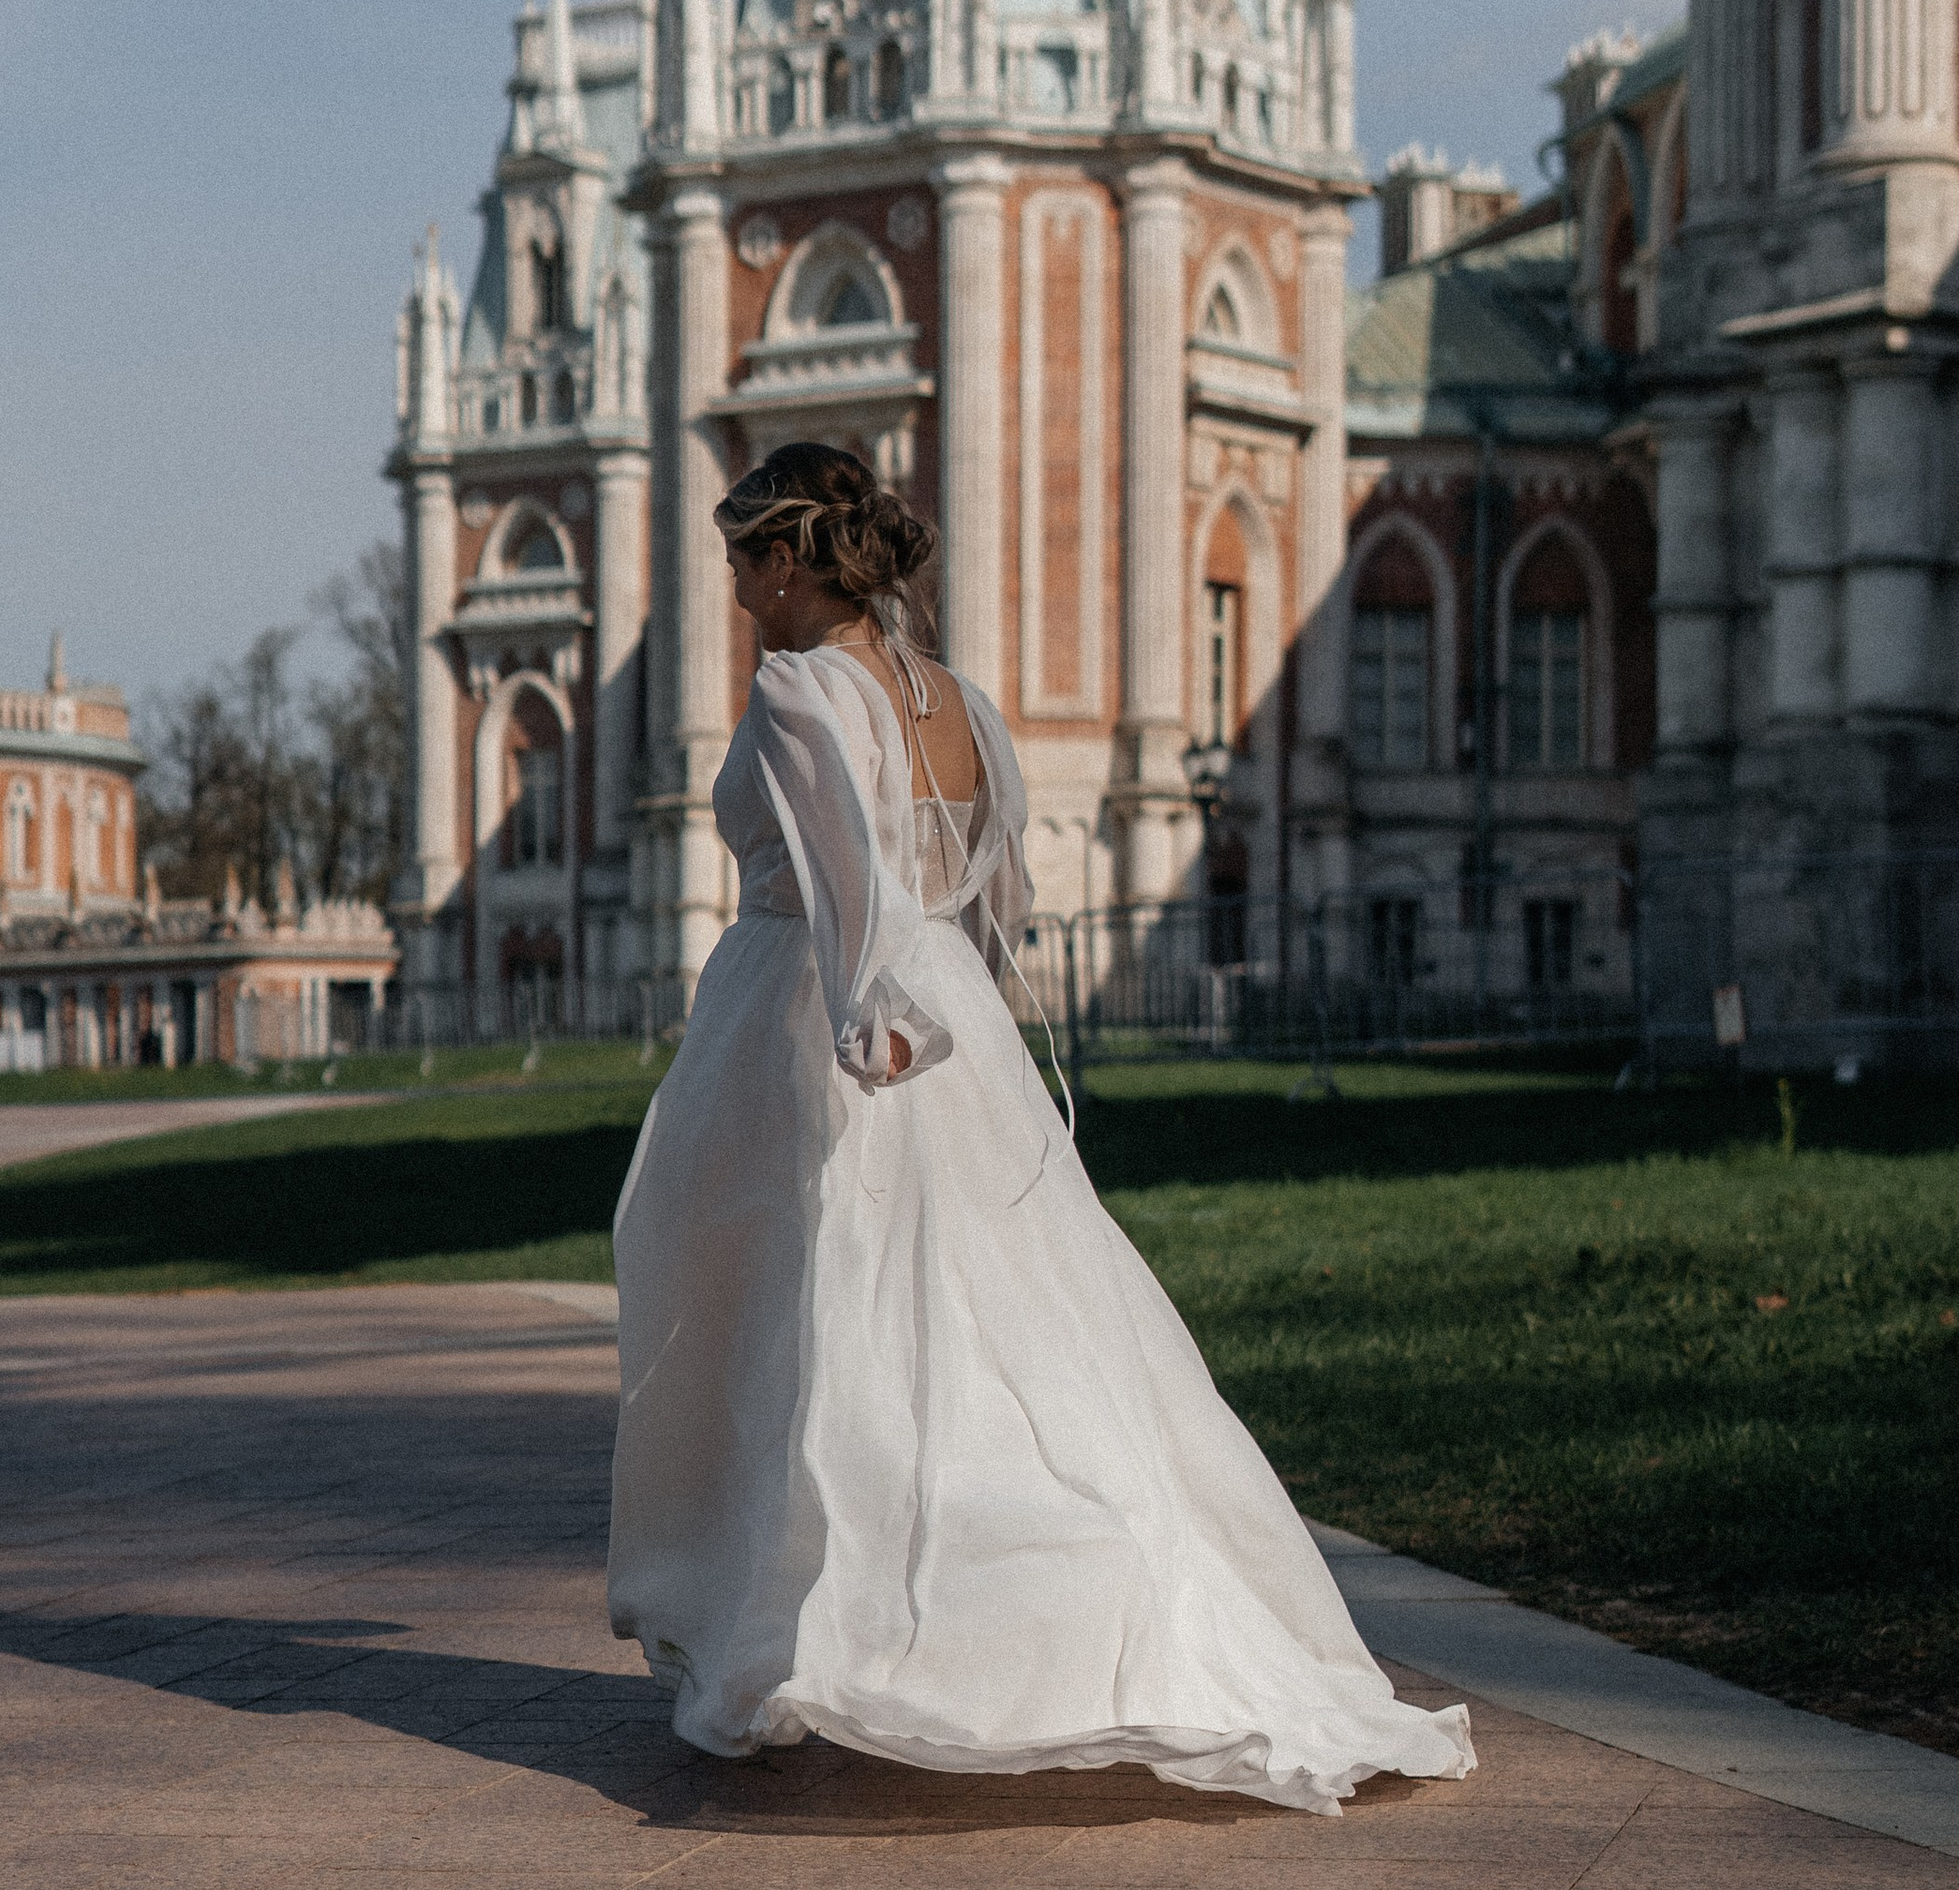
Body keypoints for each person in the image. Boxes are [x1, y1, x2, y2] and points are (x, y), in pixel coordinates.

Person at [607, 437, 1473, 1819]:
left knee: (820, 1318)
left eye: (738, 561)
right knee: (995, 1322)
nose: (734, 592)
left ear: (784, 560)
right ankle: (879, 1617)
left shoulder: (796, 692)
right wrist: (945, 1001)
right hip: (957, 1018)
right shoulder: (960, 700)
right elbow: (988, 892)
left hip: (827, 1020)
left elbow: (846, 889)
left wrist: (866, 1018)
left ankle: (848, 1633)